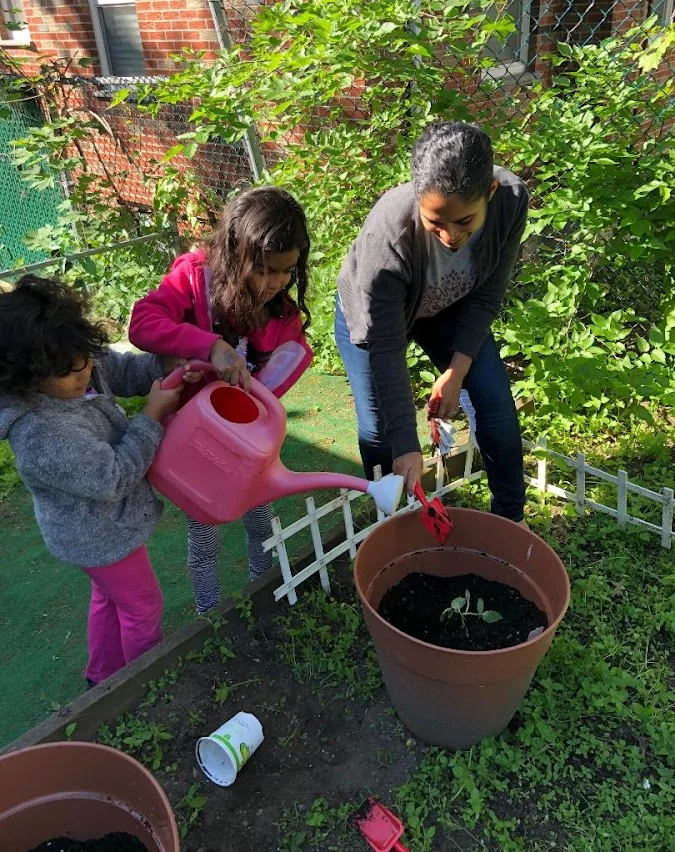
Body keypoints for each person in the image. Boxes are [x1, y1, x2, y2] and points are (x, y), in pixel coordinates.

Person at [130, 185, 313, 614]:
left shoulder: (283, 314)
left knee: (260, 518)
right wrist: (209, 345)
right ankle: (208, 616)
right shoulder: (195, 276)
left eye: (287, 271)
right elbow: (143, 322)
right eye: (266, 270)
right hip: (199, 445)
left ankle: (263, 592)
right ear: (235, 253)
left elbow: (279, 371)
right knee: (205, 530)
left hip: (249, 447)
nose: (276, 283)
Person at [335, 121, 528, 523]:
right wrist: (405, 442)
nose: (449, 236)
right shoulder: (387, 235)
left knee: (494, 403)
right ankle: (394, 523)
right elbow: (386, 348)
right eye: (435, 222)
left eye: (464, 222)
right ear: (418, 197)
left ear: (489, 192)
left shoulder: (510, 201)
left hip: (448, 305)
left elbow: (488, 296)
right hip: (376, 316)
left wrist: (456, 372)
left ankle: (512, 522)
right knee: (379, 429)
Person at [0, 276, 186, 685]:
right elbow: (113, 476)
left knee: (110, 598)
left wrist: (163, 365)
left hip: (101, 528)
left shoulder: (73, 360)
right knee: (143, 607)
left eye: (84, 356)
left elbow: (119, 368)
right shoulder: (40, 432)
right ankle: (144, 687)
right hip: (97, 534)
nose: (84, 371)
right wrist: (151, 417)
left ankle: (102, 679)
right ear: (28, 378)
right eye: (68, 372)